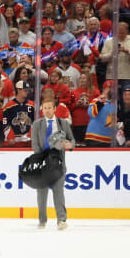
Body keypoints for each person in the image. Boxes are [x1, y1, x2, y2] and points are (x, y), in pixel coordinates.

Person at [31, 98, 75, 230]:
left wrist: (70, 144)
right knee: (41, 193)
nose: (47, 110)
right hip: (43, 163)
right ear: (42, 110)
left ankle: (61, 220)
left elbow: (72, 140)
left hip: (58, 163)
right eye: (45, 108)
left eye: (49, 108)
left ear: (54, 109)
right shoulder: (37, 124)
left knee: (58, 191)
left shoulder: (63, 123)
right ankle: (42, 220)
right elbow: (35, 143)